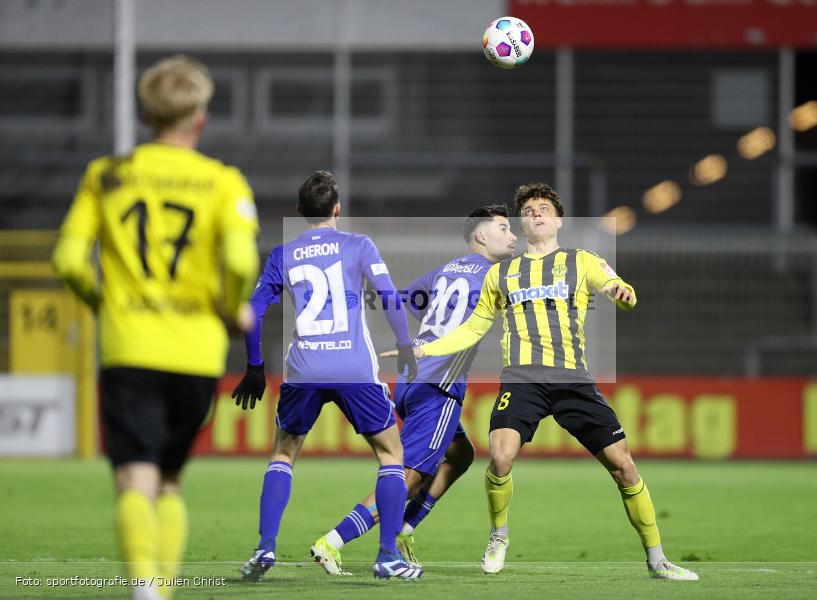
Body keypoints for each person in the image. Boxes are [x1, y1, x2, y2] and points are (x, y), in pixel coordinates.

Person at [52, 55, 260, 600]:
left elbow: (69, 260)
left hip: (129, 348)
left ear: (146, 114)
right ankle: (158, 592)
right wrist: (232, 306)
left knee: (133, 479)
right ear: (200, 117)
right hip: (196, 353)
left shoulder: (107, 176)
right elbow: (240, 262)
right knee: (170, 480)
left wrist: (102, 302)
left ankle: (145, 588)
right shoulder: (223, 182)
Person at [415, 183, 699, 581]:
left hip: (572, 381)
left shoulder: (581, 260)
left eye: (544, 208)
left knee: (624, 467)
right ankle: (499, 537)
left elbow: (619, 287)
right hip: (522, 380)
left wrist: (623, 293)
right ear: (522, 222)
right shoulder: (503, 273)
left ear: (559, 220)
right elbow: (477, 325)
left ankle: (657, 559)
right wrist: (431, 349)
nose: (536, 214)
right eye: (529, 210)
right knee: (499, 456)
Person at [232, 170, 422, 581]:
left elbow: (255, 310)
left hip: (305, 368)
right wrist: (406, 345)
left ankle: (265, 548)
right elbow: (388, 296)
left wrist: (253, 366)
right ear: (338, 209)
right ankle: (388, 557)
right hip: (353, 366)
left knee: (284, 453)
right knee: (391, 455)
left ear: (300, 211)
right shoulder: (358, 245)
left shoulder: (283, 254)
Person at [309, 205, 517, 575]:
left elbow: (410, 296)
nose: (512, 235)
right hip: (439, 386)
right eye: (503, 228)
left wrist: (434, 328)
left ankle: (404, 528)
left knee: (461, 454)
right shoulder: (496, 276)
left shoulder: (449, 269)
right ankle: (334, 541)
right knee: (409, 477)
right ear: (481, 236)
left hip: (410, 381)